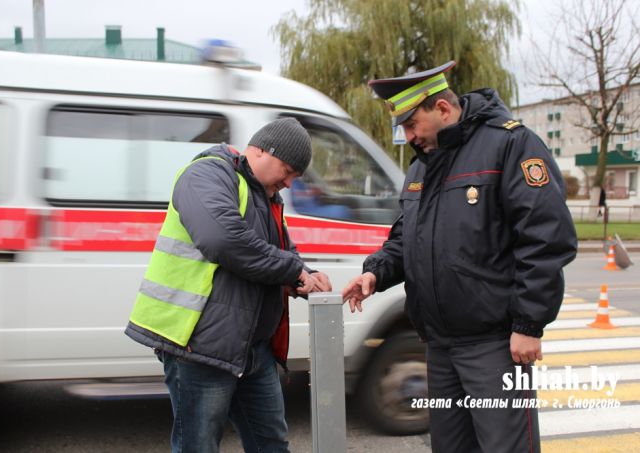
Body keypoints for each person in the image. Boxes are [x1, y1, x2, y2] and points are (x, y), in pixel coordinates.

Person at [342, 61, 577, 452]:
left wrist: (528, 323)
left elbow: (546, 237)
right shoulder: (422, 165)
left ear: (443, 110)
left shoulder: (510, 145)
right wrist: (375, 273)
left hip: (495, 345)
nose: (409, 137)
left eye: (412, 125)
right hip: (438, 345)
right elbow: (407, 239)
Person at [126, 117, 332, 453]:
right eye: (289, 170)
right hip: (199, 347)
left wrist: (305, 274)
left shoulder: (265, 195)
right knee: (199, 446)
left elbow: (280, 250)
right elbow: (225, 242)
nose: (290, 183)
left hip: (253, 349)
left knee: (272, 445)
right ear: (263, 150)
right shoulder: (206, 175)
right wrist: (293, 271)